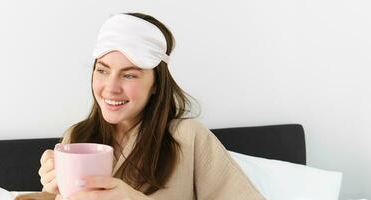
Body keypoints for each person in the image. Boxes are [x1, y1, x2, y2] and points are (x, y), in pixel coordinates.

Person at [38, 12, 265, 200]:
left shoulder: (188, 138)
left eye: (129, 75)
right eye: (102, 70)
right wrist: (50, 192)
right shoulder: (77, 137)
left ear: (156, 84)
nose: (111, 88)